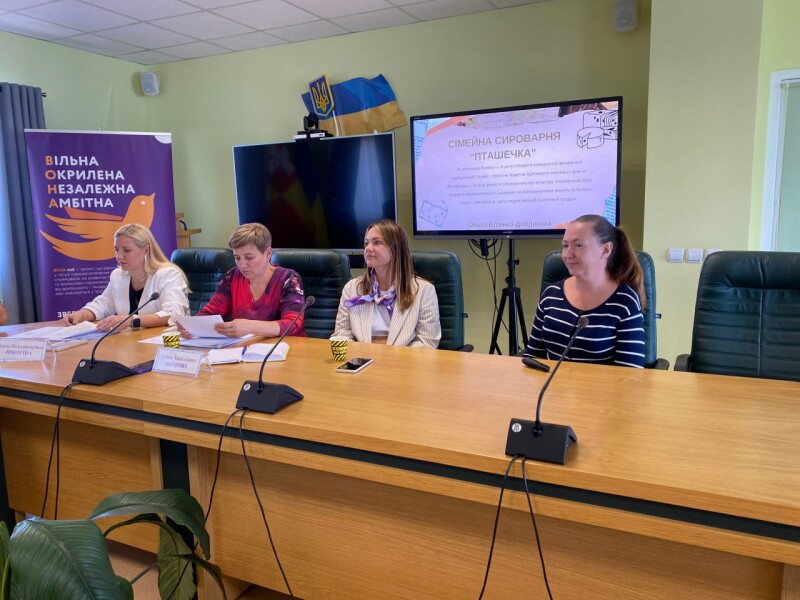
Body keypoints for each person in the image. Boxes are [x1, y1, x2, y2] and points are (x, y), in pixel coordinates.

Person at [524, 214, 645, 368]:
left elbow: (630, 373)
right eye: (565, 246)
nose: (568, 254)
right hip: (550, 382)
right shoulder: (551, 294)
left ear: (605, 250)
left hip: (601, 384)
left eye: (579, 245)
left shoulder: (625, 301)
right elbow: (533, 356)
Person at [334, 219, 441, 348]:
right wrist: (363, 356)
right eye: (366, 243)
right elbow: (341, 334)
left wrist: (389, 357)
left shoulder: (424, 291)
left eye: (377, 242)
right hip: (360, 358)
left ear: (396, 248)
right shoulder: (352, 288)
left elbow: (427, 342)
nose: (368, 248)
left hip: (404, 359)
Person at [63, 223, 189, 332]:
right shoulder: (118, 276)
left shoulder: (168, 275)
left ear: (146, 250)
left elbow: (174, 314)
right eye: (116, 250)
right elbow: (102, 305)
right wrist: (81, 315)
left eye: (127, 250)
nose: (119, 256)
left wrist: (131, 320)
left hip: (166, 343)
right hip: (132, 342)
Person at [192, 223, 306, 338]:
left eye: (249, 257)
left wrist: (250, 327)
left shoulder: (288, 278)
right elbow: (211, 312)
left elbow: (293, 324)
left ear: (268, 254)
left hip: (288, 346)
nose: (242, 265)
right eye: (237, 258)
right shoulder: (232, 276)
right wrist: (191, 326)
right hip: (245, 347)